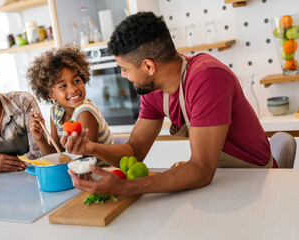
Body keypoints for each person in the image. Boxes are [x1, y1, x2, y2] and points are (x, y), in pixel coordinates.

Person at [61, 12, 278, 197]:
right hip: (218, 182)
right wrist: (91, 148)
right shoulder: (152, 90)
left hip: (258, 182)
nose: (123, 75)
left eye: (125, 68)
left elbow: (201, 169)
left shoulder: (207, 77)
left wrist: (125, 187)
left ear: (148, 66)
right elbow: (135, 151)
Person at [26, 46, 113, 164]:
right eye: (63, 86)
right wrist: (40, 138)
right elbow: (57, 156)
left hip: (103, 173)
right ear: (52, 95)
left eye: (77, 81)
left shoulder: (85, 111)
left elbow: (85, 160)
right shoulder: (55, 112)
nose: (73, 89)